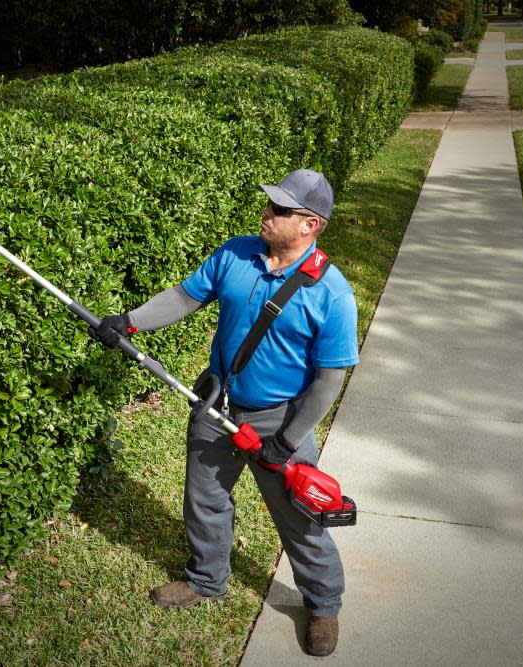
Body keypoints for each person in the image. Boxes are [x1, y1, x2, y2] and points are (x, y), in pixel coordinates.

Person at [89, 168, 358, 657]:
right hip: (217, 405)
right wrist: (128, 322)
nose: (268, 213)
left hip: (281, 422)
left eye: (280, 209)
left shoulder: (332, 293)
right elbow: (183, 297)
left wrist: (287, 440)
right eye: (270, 204)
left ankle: (323, 603)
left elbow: (329, 380)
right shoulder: (235, 253)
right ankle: (206, 579)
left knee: (299, 519)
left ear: (310, 225)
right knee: (205, 499)